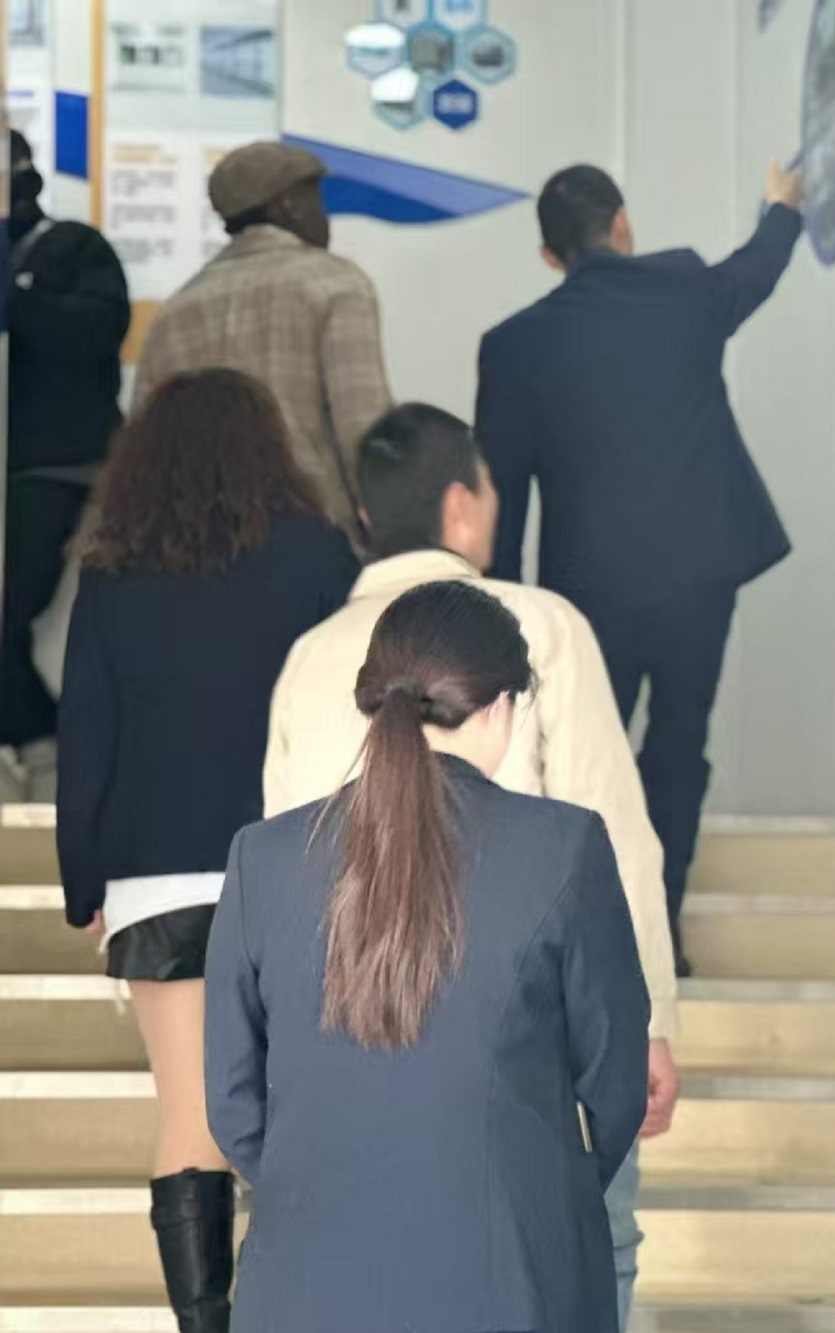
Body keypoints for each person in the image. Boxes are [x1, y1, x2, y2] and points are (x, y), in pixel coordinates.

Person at [264, 402, 678, 1331]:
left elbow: (285, 876)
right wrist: (647, 1021)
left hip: (357, 1039)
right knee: (597, 1244)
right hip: (531, 1047)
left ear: (367, 518)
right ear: (462, 505)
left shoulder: (308, 657)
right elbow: (613, 835)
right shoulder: (542, 625)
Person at [207, 580, 651, 1333]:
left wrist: (323, 1191)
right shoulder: (565, 847)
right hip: (511, 1280)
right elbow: (616, 1084)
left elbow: (232, 1100)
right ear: (500, 704)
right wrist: (538, 1190)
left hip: (306, 1283)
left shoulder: (264, 857)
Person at [56, 368, 360, 1333]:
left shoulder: (112, 573)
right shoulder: (317, 555)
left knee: (190, 1121)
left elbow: (87, 740)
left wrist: (83, 885)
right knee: (307, 1118)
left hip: (156, 883)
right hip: (298, 870)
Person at [476, 160, 805, 974]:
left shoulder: (513, 346)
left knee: (582, 761)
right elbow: (756, 271)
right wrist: (781, 208)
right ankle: (665, 926)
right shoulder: (685, 290)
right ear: (621, 223)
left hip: (588, 594)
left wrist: (500, 616)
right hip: (700, 575)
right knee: (679, 746)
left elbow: (502, 497)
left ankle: (579, 937)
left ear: (550, 256)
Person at [133, 139, 392, 541]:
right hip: (318, 536)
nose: (323, 216)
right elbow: (362, 427)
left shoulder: (175, 312)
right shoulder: (335, 284)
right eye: (315, 199)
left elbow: (146, 450)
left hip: (205, 545)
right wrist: (395, 536)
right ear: (289, 205)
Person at [0, 129, 130, 799]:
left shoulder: (73, 247)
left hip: (52, 471)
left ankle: (44, 745)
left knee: (20, 614)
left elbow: (96, 334)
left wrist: (19, 293)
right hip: (29, 470)